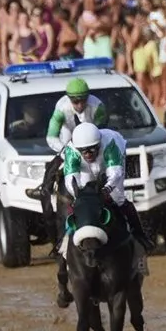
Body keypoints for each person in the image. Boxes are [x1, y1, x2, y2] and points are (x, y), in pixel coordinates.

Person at [56, 122, 154, 306]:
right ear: (78, 149)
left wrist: (107, 189)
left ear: (98, 144)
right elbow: (71, 179)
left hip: (112, 163)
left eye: (92, 150)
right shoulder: (71, 151)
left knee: (118, 199)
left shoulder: (110, 143)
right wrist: (80, 196)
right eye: (84, 151)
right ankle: (65, 241)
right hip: (83, 172)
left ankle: (140, 236)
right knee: (80, 204)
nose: (89, 154)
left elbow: (115, 173)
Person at [28, 77, 109, 256]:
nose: (79, 104)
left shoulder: (98, 107)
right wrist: (66, 151)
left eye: (82, 100)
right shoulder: (61, 108)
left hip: (92, 144)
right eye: (75, 101)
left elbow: (102, 131)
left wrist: (89, 148)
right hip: (66, 142)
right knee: (52, 169)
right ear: (69, 99)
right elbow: (51, 136)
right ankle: (45, 191)